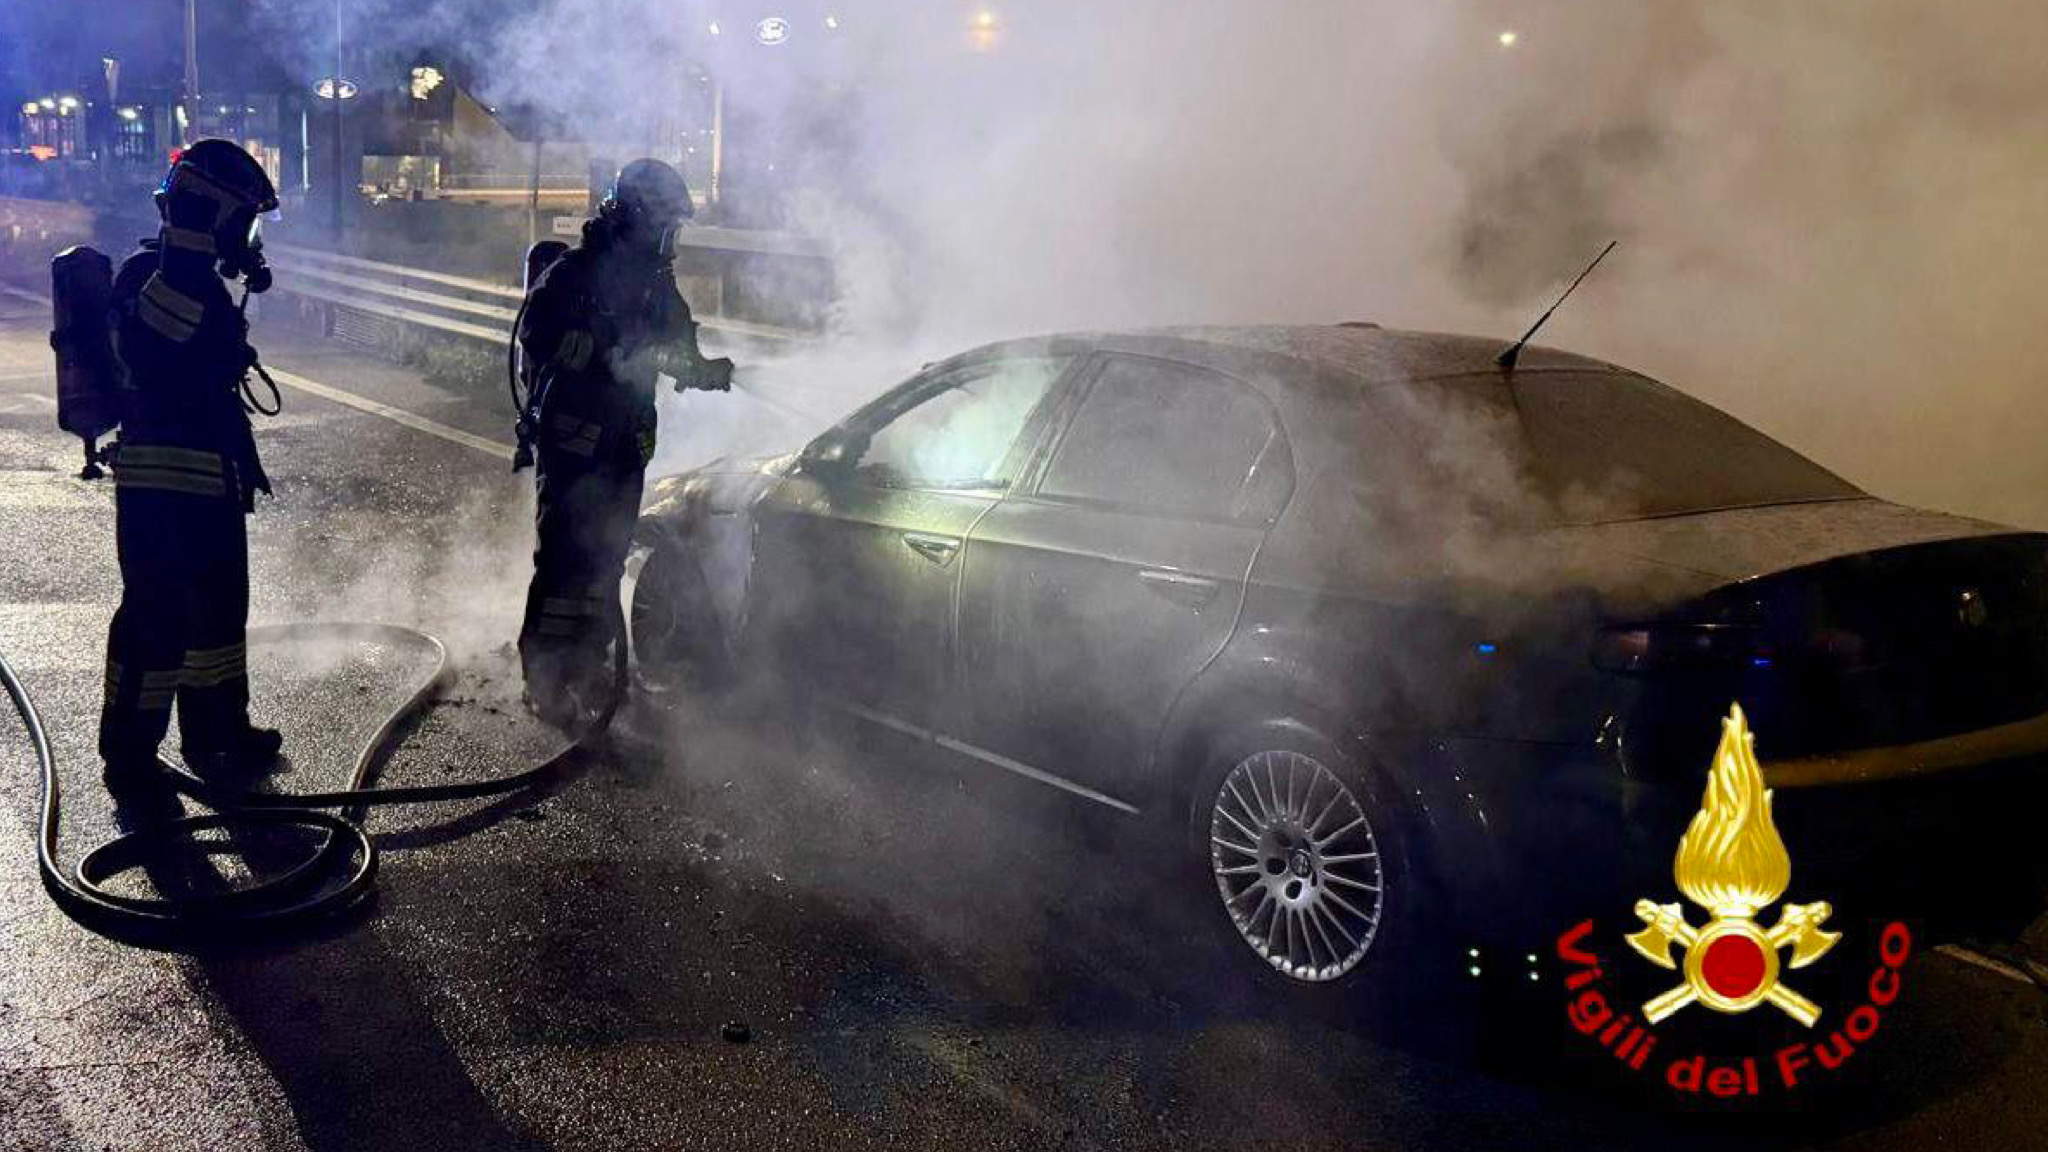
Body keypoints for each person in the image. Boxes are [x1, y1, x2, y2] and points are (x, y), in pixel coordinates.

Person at [517, 158, 734, 725]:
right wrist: (598, 356)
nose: (671, 239)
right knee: (566, 560)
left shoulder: (658, 288)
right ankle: (544, 676)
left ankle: (590, 666)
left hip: (625, 446)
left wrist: (702, 368)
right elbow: (538, 333)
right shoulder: (577, 274)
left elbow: (677, 346)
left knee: (607, 560)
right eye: (666, 224)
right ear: (635, 216)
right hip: (575, 442)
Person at [100, 139, 283, 800]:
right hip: (161, 484)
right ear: (211, 212)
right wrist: (188, 242)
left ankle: (218, 732)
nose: (249, 237)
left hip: (211, 479)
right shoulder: (151, 273)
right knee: (157, 621)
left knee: (217, 617)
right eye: (243, 220)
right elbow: (152, 348)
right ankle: (129, 753)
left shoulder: (198, 282)